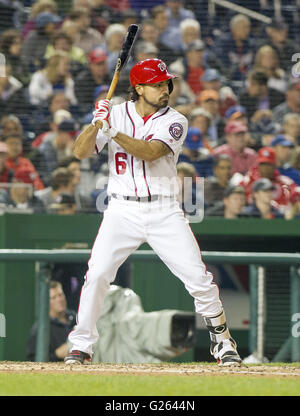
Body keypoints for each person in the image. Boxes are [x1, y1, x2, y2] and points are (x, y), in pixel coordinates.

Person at [64, 58, 242, 366]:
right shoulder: (115, 114)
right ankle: (81, 346)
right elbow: (79, 152)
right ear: (138, 88)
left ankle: (223, 341)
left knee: (198, 278)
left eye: (165, 84)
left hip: (163, 209)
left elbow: (150, 152)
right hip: (120, 208)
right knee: (97, 275)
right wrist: (96, 125)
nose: (164, 89)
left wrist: (114, 133)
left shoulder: (175, 120)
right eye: (157, 84)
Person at [27, 281, 76, 362]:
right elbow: (32, 360)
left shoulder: (76, 318)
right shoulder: (40, 329)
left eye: (60, 295)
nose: (59, 299)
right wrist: (56, 355)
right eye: (54, 297)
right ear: (46, 302)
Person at [240, 146, 297, 213]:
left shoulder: (285, 183)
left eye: (269, 164)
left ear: (275, 165)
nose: (265, 168)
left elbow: (297, 196)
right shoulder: (248, 180)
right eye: (262, 164)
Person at [38, 118, 78, 186]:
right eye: (70, 134)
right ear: (59, 133)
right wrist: (68, 153)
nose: (72, 138)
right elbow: (53, 173)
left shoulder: (72, 147)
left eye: (74, 135)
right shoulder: (47, 148)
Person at [74, 47, 110, 113]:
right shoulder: (82, 81)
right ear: (90, 65)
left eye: (103, 63)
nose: (102, 67)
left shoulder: (111, 77)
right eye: (98, 64)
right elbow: (82, 105)